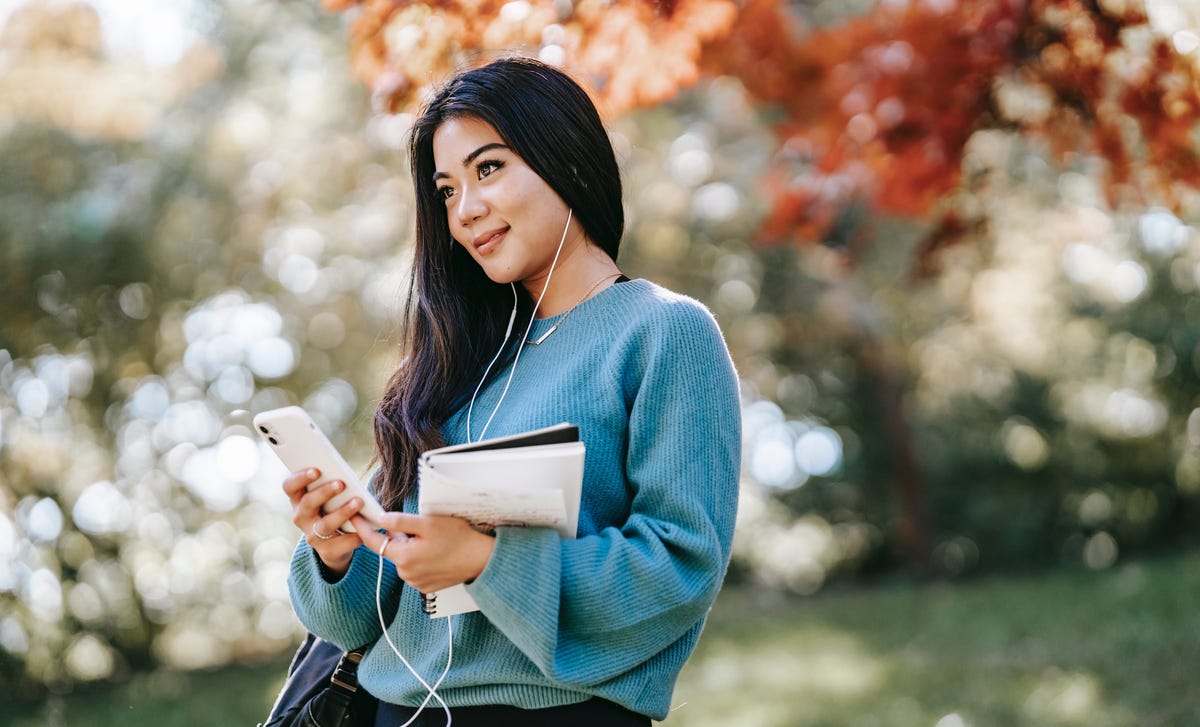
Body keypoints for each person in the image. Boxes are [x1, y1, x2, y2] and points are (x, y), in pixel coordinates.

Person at [281, 56, 741, 726]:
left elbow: (680, 567)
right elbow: (355, 621)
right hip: (391, 709)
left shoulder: (664, 331)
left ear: (569, 159)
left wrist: (486, 560)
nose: (465, 210)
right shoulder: (453, 362)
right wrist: (336, 550)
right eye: (445, 190)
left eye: (488, 168)